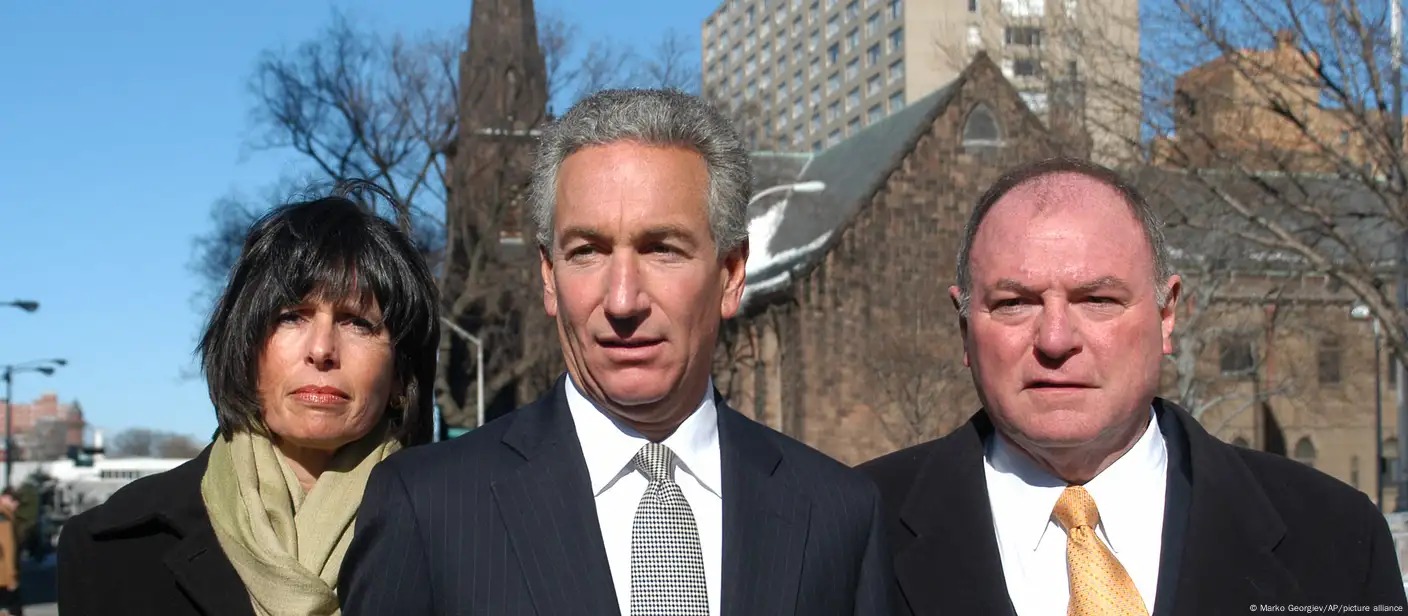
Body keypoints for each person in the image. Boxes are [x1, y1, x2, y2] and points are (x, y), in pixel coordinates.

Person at [338, 88, 895, 616]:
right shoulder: (428, 508)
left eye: (662, 249)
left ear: (730, 274)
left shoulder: (838, 515)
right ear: (549, 276)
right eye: (588, 251)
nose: (623, 300)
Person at [859, 157, 1408, 615]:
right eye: (1015, 303)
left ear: (1167, 316)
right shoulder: (848, 533)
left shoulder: (1335, 536)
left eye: (1098, 300)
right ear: (964, 328)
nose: (1055, 339)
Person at [56, 180, 441, 616]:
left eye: (357, 322)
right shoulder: (112, 549)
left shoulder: (466, 534)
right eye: (291, 317)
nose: (321, 349)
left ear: (401, 374)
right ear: (244, 350)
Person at [0, 489, 19, 616]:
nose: (16, 505)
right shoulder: (4, 517)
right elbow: (8, 549)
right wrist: (11, 577)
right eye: (14, 501)